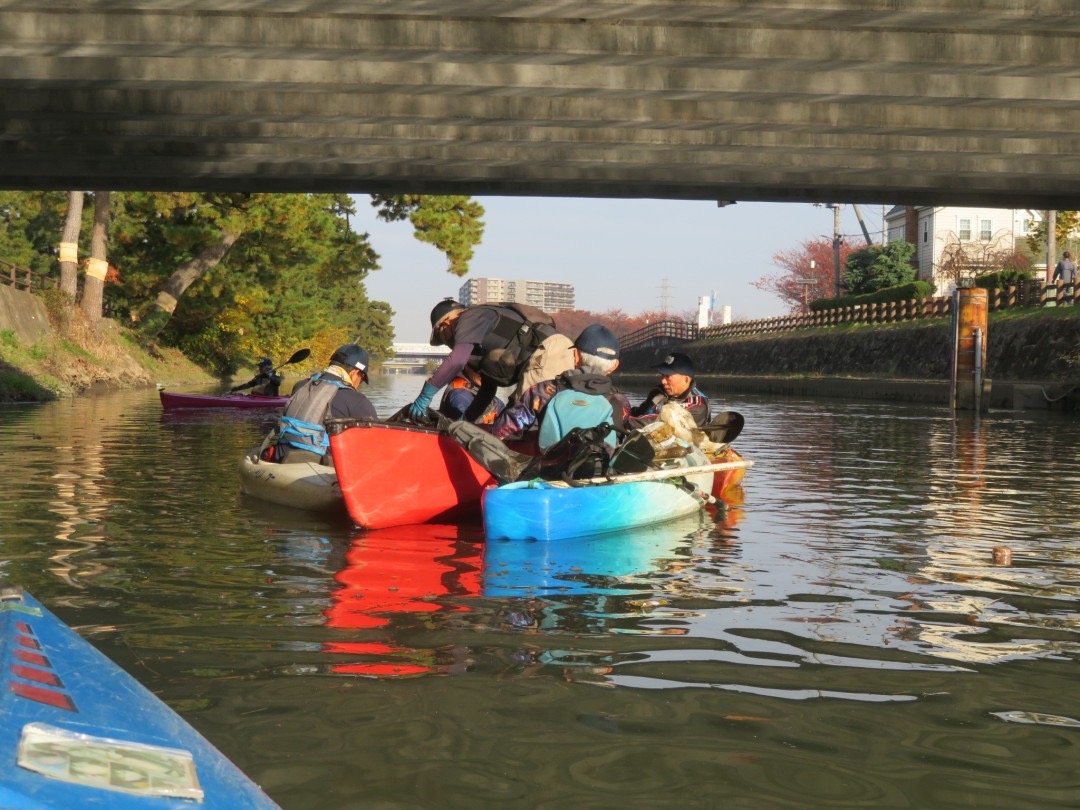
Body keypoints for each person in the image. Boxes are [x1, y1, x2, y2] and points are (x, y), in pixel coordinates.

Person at [408, 298, 555, 422]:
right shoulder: (481, 339)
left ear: (446, 323)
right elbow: (488, 389)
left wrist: (425, 396)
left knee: (525, 416)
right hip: (543, 358)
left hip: (549, 355)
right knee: (515, 416)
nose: (447, 344)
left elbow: (456, 361)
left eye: (442, 337)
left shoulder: (469, 317)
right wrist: (465, 421)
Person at [489, 324, 630, 451]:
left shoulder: (544, 391)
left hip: (546, 472)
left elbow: (502, 432)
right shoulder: (620, 402)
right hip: (598, 474)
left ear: (575, 356)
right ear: (614, 365)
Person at [270, 344, 377, 465]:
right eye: (362, 378)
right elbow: (374, 445)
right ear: (356, 372)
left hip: (283, 457)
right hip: (319, 466)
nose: (360, 384)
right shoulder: (357, 401)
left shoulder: (300, 386)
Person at [630, 351, 710, 427]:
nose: (663, 381)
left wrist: (625, 421)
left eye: (668, 376)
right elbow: (638, 412)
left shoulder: (699, 405)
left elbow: (661, 423)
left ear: (685, 380)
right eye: (662, 375)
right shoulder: (658, 393)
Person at [438, 365, 504, 424]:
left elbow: (502, 410)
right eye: (480, 370)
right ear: (467, 366)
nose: (485, 374)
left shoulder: (484, 391)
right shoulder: (459, 396)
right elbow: (463, 426)